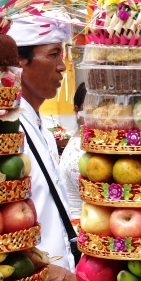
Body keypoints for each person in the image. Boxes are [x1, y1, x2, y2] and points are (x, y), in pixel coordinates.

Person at [0, 13, 86, 281]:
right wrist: (58, 276)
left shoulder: (39, 125)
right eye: (53, 54)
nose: (63, 66)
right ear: (19, 61)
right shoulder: (1, 128)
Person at [58, 83, 88, 219]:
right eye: (91, 106)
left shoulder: (87, 143)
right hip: (82, 227)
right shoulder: (79, 151)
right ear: (77, 110)